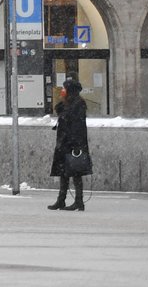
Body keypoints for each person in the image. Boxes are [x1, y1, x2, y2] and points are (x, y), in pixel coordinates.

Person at [49, 76, 91, 211]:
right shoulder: (68, 104)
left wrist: (76, 144)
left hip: (73, 145)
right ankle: (61, 200)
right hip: (64, 144)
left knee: (75, 173)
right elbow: (61, 113)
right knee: (64, 173)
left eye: (64, 88)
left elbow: (77, 127)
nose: (62, 91)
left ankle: (79, 201)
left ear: (70, 90)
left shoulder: (78, 105)